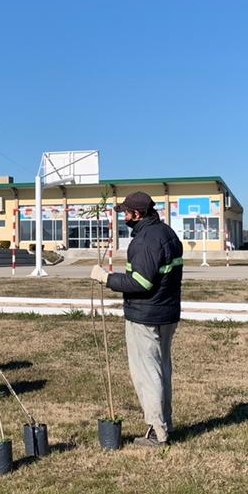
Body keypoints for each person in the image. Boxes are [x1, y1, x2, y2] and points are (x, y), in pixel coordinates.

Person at [90, 191, 183, 448]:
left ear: (138, 214)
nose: (124, 217)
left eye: (126, 213)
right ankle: (165, 423)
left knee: (147, 374)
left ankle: (156, 432)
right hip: (167, 314)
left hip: (146, 315)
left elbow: (140, 282)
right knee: (162, 369)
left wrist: (106, 278)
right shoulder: (167, 233)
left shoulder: (144, 242)